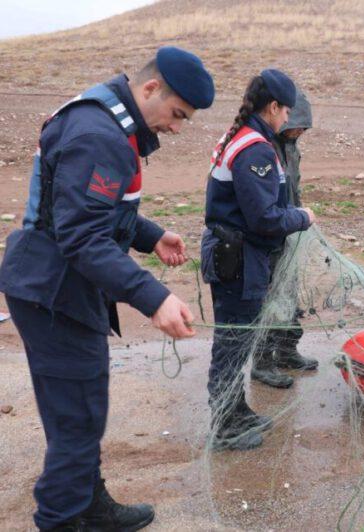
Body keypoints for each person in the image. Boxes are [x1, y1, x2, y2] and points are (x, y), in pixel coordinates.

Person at [0, 47, 214, 531]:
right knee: (77, 421)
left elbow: (88, 209)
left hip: (57, 284)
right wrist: (154, 297)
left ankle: (88, 503)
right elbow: (81, 236)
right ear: (150, 89)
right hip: (55, 294)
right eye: (177, 114)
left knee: (79, 412)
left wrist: (150, 234)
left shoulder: (105, 119)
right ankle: (61, 519)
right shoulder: (100, 134)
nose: (177, 128)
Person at [201, 69, 316, 450]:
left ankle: (236, 409)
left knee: (238, 339)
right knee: (233, 342)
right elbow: (264, 218)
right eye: (286, 111)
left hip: (238, 254)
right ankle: (224, 424)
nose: (288, 119)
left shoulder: (244, 137)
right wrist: (303, 217)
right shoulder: (255, 149)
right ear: (273, 107)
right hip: (240, 259)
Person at [251, 90, 318, 388]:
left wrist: (300, 221)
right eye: (298, 124)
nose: (301, 131)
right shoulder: (262, 147)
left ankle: (288, 351)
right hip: (268, 235)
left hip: (290, 229)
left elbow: (295, 188)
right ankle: (263, 362)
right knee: (271, 300)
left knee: (290, 296)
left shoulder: (292, 147)